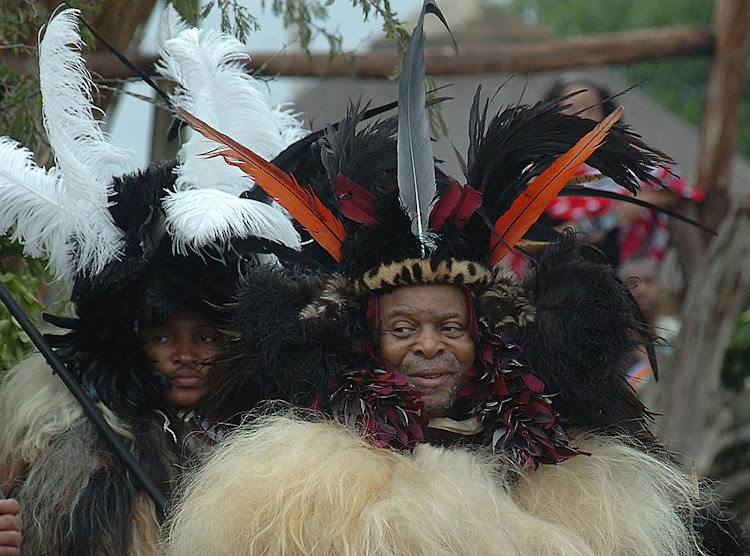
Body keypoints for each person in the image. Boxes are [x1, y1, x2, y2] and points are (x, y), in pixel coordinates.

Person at [162, 3, 750, 554]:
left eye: (449, 325)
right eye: (403, 326)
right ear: (370, 338)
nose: (428, 345)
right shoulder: (296, 482)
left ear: (482, 334)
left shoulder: (564, 464)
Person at [0, 7, 305, 554]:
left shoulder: (282, 442)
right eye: (163, 337)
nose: (185, 355)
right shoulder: (62, 447)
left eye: (206, 337)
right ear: (129, 340)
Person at [539, 73, 705, 268]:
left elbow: (679, 192)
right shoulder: (538, 165)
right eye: (570, 108)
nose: (581, 116)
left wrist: (643, 200)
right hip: (549, 274)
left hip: (618, 273)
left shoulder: (627, 159)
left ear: (605, 117)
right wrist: (564, 235)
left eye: (590, 109)